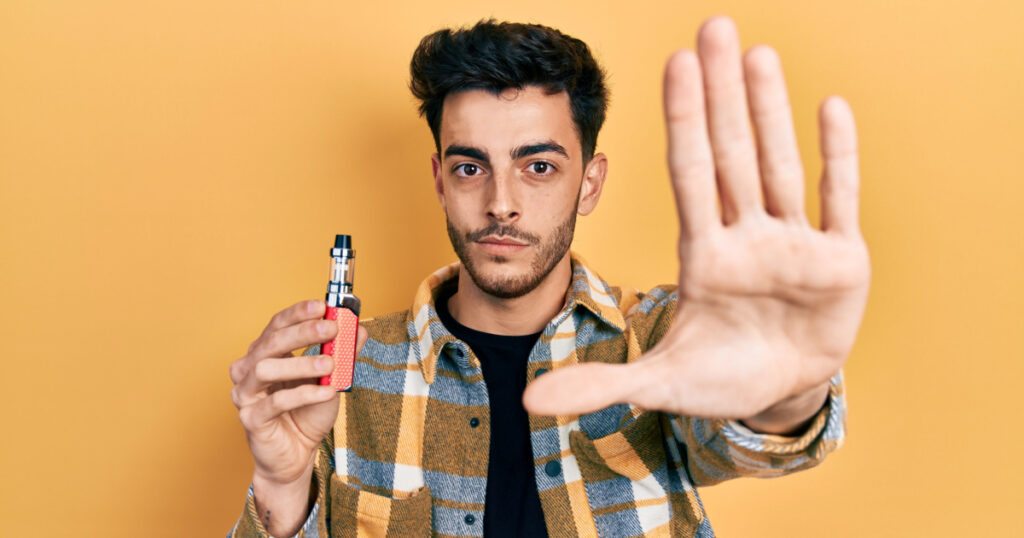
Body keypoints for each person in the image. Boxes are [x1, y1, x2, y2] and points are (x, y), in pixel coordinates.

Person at [228, 15, 869, 538]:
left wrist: (787, 398)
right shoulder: (343, 373)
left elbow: (744, 439)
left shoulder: (667, 338)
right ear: (439, 181)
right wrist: (282, 486)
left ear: (589, 183)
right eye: (471, 167)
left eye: (538, 167)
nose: (500, 203)